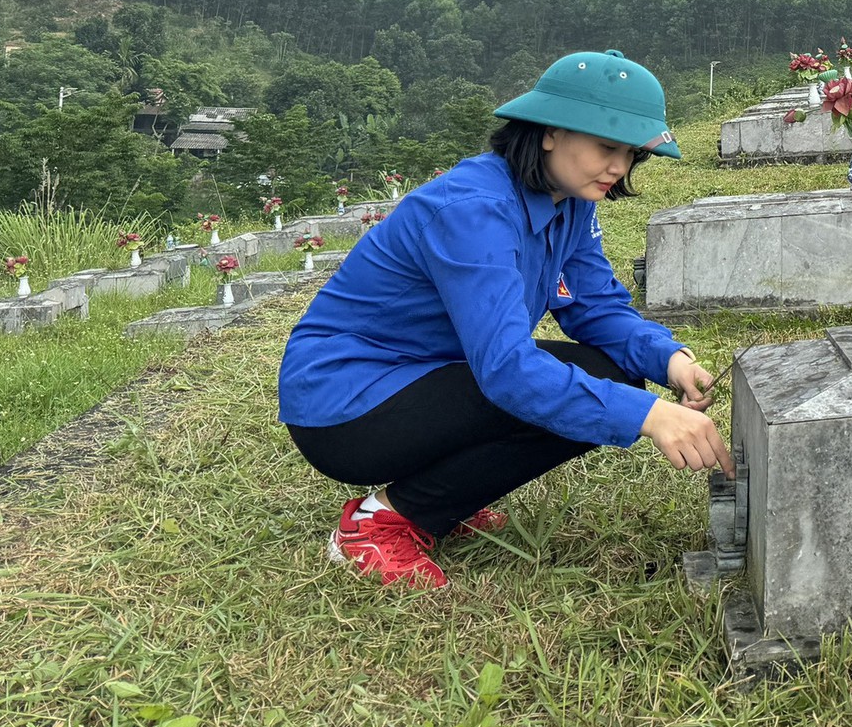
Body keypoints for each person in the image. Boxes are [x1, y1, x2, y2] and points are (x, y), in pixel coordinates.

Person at [277, 50, 730, 589]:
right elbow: (507, 371)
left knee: (612, 373)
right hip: (347, 404)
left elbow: (593, 305)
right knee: (603, 393)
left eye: (631, 154)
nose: (619, 167)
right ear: (549, 133)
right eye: (607, 147)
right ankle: (379, 523)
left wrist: (670, 359)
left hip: (428, 374)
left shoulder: (570, 201)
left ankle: (444, 497)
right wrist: (650, 416)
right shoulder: (474, 210)